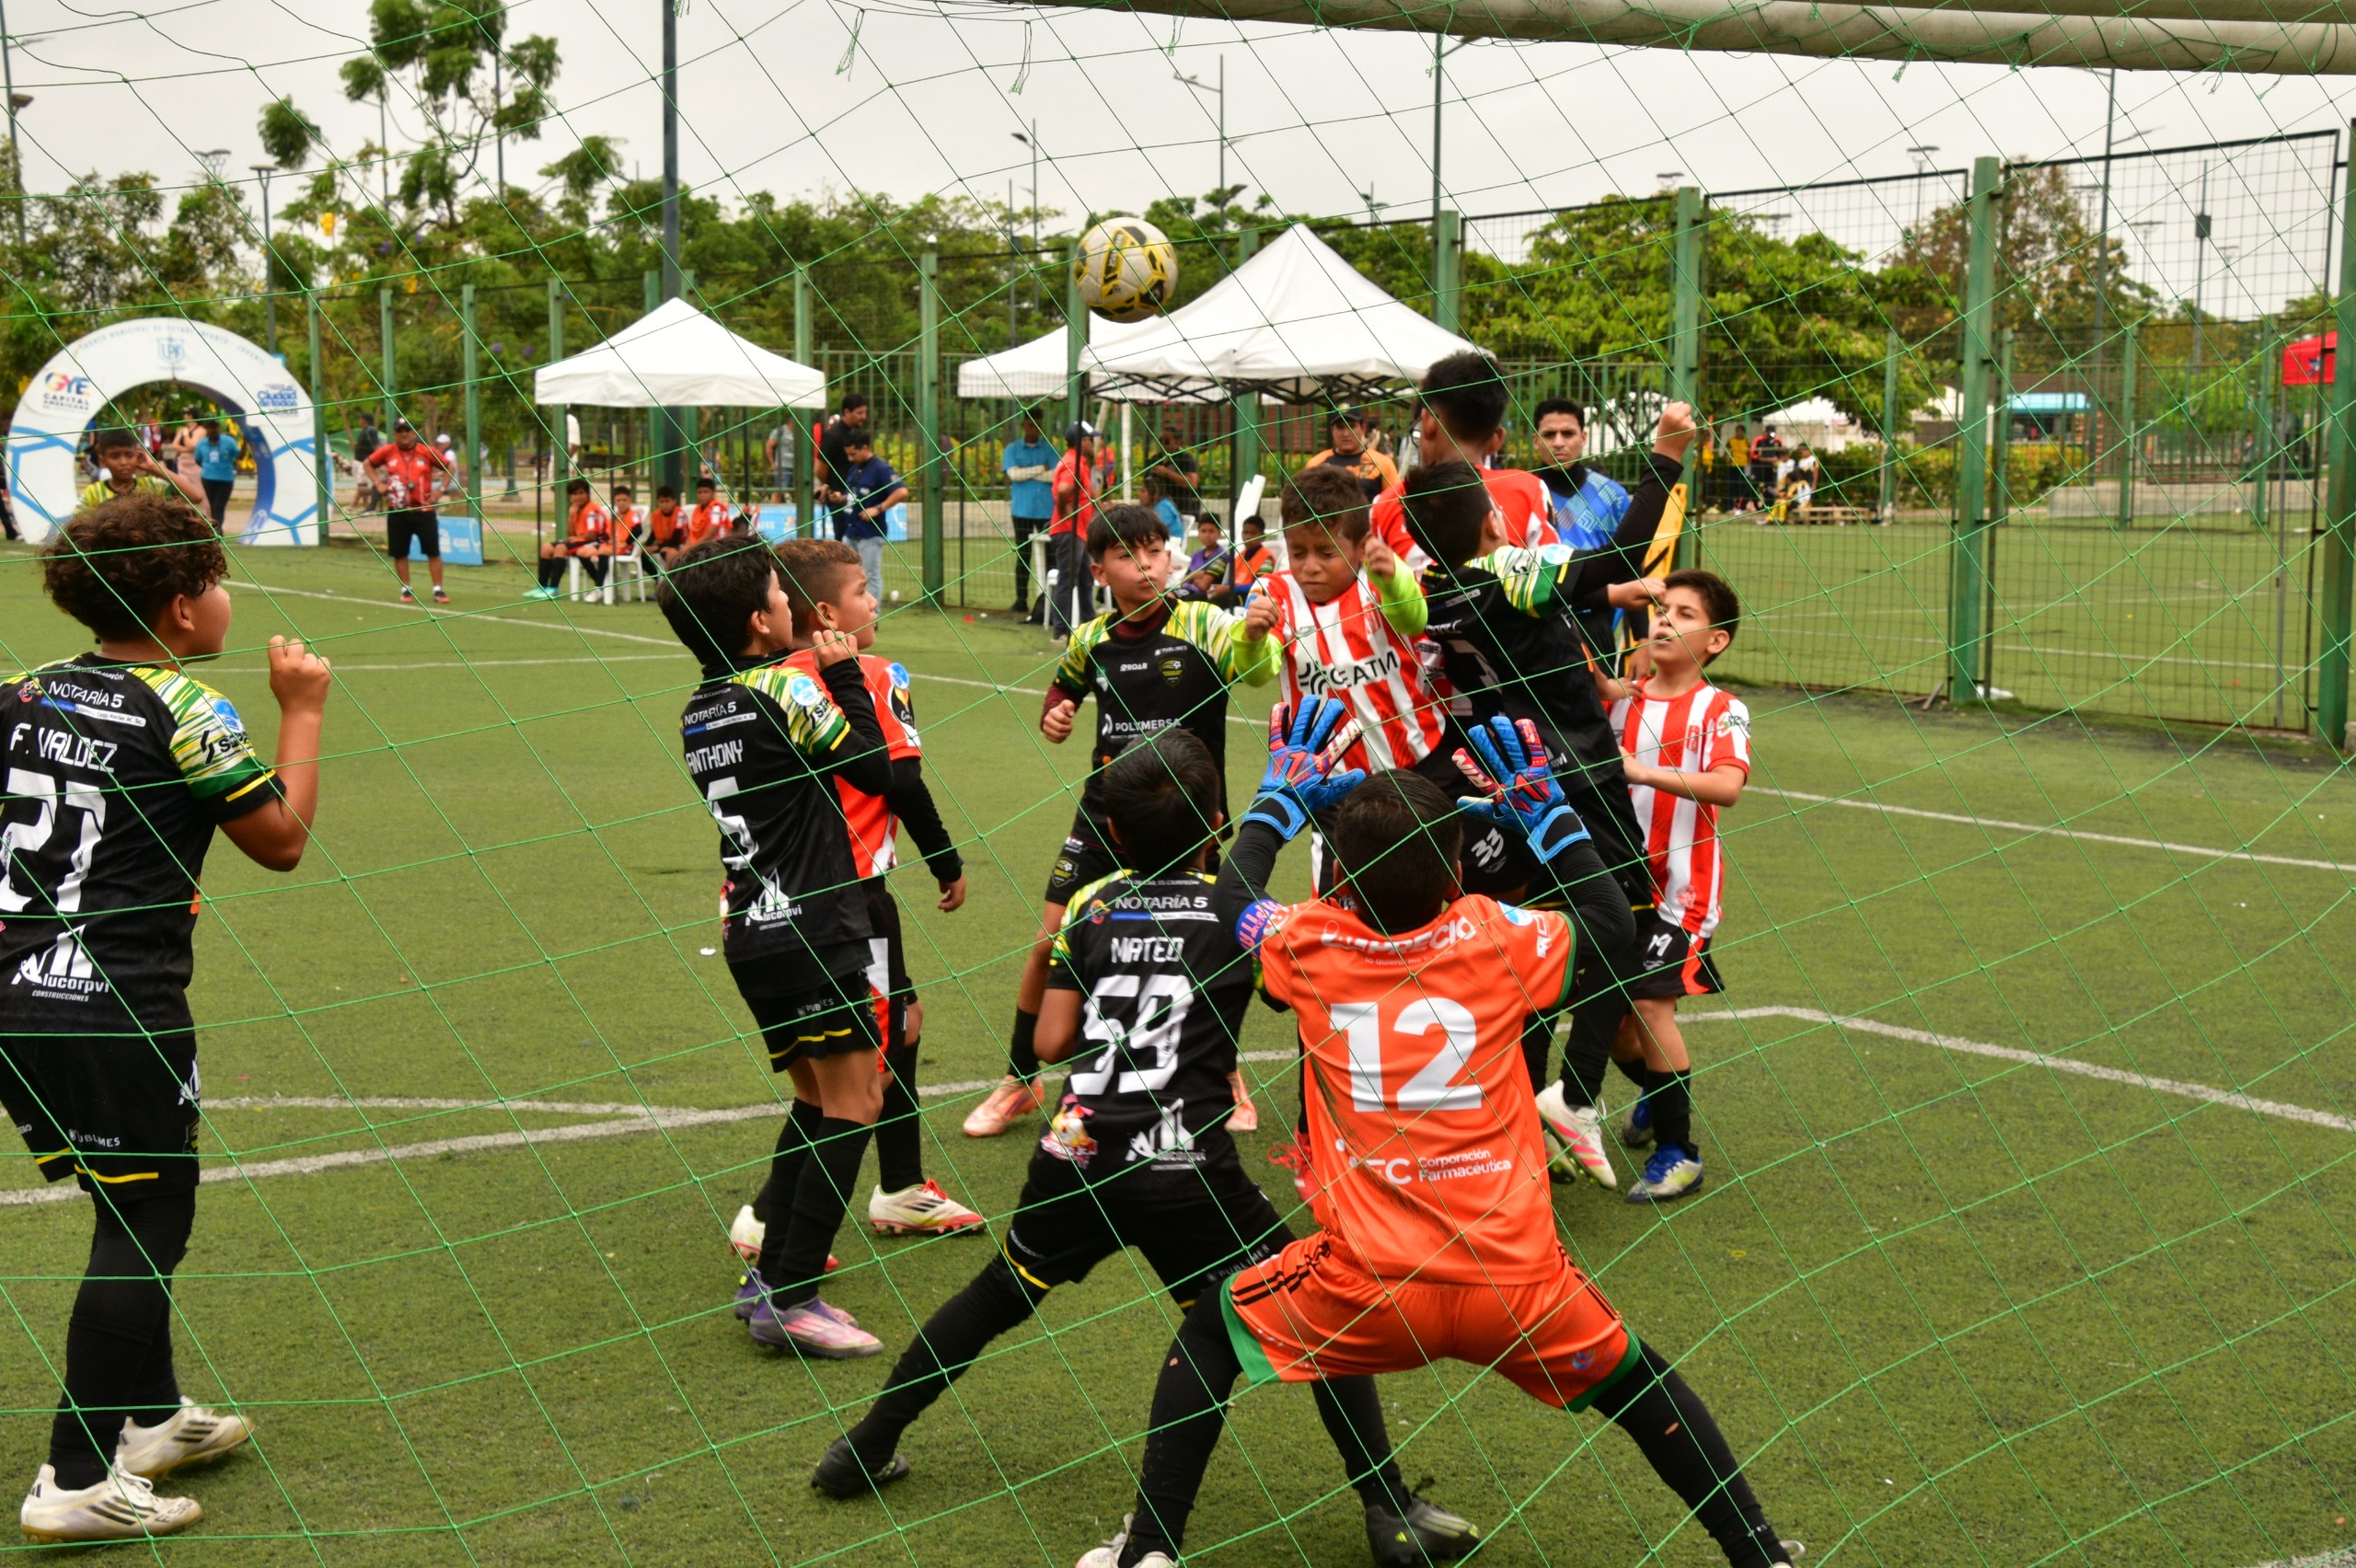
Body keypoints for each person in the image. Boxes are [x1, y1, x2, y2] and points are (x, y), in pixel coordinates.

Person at [1070, 721, 1795, 1568]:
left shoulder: (1309, 944)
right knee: (1642, 1384)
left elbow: (1230, 905)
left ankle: (1149, 1552)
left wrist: (1277, 801)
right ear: (1456, 870)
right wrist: (1548, 811)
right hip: (1515, 1282)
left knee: (1210, 1333)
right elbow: (1609, 922)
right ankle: (1761, 1557)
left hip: (1368, 1286)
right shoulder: (1500, 936)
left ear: (1336, 877)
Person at [814, 721, 1478, 1568]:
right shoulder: (1252, 917)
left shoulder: (1094, 903)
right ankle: (1387, 1508)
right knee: (1315, 1311)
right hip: (1186, 1170)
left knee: (997, 1297)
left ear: (1114, 834)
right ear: (1217, 820)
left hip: (1079, 1154)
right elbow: (1302, 983)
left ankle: (863, 1446)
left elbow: (1052, 1041)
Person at [4, 492, 330, 1543]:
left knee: (124, 1197)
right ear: (185, 607)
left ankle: (151, 1419)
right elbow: (278, 841)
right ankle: (74, 1476)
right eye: (217, 580)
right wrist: (304, 708)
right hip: (108, 1000)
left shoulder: (21, 691)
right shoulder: (183, 707)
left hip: (13, 983)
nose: (227, 597)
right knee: (151, 1219)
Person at [1403, 414, 1710, 1191]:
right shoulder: (1514, 573)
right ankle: (1574, 1098)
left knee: (1539, 942)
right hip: (1575, 777)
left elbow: (1574, 604)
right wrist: (1666, 458)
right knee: (1619, 929)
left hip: (1502, 783)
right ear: (1493, 522)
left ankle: (1523, 1119)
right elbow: (1623, 552)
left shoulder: (1434, 591)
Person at [656, 536, 895, 1358]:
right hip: (814, 925)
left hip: (750, 931)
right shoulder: (784, 689)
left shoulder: (699, 708)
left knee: (819, 1101)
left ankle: (770, 1276)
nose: (795, 602)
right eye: (779, 595)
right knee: (857, 1102)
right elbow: (875, 769)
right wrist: (841, 679)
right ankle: (794, 1296)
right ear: (762, 621)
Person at [724, 538, 983, 1281]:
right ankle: (772, 1213)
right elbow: (900, 781)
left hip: (780, 897)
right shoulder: (871, 672)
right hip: (849, 899)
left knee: (892, 1026)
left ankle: (901, 1185)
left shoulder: (764, 682)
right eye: (865, 590)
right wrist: (946, 858)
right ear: (829, 614)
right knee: (853, 1061)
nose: (877, 601)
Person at [964, 503, 1251, 1139]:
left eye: (1154, 550)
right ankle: (1019, 1078)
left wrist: (1259, 630)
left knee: (1211, 944)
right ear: (1099, 570)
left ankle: (1227, 1075)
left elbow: (1253, 665)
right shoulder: (1090, 638)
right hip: (1102, 815)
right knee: (1046, 942)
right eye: (1128, 555)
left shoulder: (1204, 622)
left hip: (1187, 818)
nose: (1146, 565)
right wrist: (1057, 714)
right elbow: (1064, 687)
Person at [1601, 571, 1750, 1203]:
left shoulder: (1721, 708)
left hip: (1681, 893)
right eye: (1662, 611)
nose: (1665, 621)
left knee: (1652, 1004)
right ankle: (1655, 1093)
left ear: (1714, 642)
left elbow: (1727, 786)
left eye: (1684, 615)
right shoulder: (1621, 698)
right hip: (1613, 885)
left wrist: (1642, 770)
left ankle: (1678, 1152)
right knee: (1609, 1022)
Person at [1236, 464, 1441, 784]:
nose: (1310, 567)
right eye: (1298, 552)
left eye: (1326, 553)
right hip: (1326, 778)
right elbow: (1258, 673)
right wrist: (1252, 639)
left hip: (1415, 763)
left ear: (1361, 547)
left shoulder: (1379, 578)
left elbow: (1414, 621)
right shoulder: (1275, 592)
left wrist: (1394, 582)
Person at [1369, 352, 1561, 572]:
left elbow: (1375, 596)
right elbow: (1551, 578)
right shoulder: (1529, 490)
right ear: (1497, 438)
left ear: (1428, 422)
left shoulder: (1386, 505)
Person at [365, 419, 453, 606]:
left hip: (424, 509)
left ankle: (438, 588)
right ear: (395, 434)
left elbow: (449, 467)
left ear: (414, 433)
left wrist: (441, 490)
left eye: (407, 430)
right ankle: (406, 588)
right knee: (400, 552)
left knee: (433, 551)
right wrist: (378, 484)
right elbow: (367, 464)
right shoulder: (388, 451)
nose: (404, 434)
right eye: (400, 431)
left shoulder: (426, 451)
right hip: (398, 510)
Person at [828, 432, 907, 606]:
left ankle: (872, 617)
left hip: (870, 533)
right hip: (851, 531)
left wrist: (878, 508)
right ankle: (850, 611)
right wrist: (841, 498)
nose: (850, 458)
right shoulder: (855, 468)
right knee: (845, 574)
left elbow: (902, 491)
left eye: (853, 454)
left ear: (864, 448)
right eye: (848, 454)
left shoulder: (881, 469)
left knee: (870, 576)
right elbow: (854, 495)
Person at [1002, 409, 1059, 617]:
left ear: (1040, 425)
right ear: (1024, 425)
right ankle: (1021, 600)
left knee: (1051, 556)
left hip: (1046, 510)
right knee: (1023, 555)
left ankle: (1049, 601)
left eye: (1036, 424)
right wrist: (1039, 469)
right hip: (1022, 510)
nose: (1032, 428)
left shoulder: (1051, 449)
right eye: (1029, 424)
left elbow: (1054, 476)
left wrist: (1027, 472)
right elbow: (1013, 475)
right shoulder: (1013, 449)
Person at [1045, 421, 1099, 638]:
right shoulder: (1073, 462)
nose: (1094, 443)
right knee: (1068, 580)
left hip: (1078, 532)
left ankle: (1089, 625)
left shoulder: (1078, 462)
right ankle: (1061, 631)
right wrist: (1064, 509)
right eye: (1091, 439)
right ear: (1083, 441)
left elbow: (1084, 494)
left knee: (1086, 578)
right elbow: (1064, 489)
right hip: (1069, 530)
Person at [77, 427, 206, 515]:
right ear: (102, 461)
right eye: (115, 456)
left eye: (129, 455)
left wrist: (155, 468)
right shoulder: (93, 493)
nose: (123, 462)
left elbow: (196, 497)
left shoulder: (153, 486)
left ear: (138, 456)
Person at [530, 477, 611, 600]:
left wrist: (575, 539)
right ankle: (542, 587)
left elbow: (592, 535)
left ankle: (553, 588)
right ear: (570, 497)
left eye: (581, 493)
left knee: (561, 548)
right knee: (546, 548)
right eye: (574, 494)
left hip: (597, 542)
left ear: (588, 494)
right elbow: (570, 533)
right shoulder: (576, 509)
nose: (578, 497)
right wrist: (571, 517)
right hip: (583, 540)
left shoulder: (592, 510)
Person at [1304, 407, 1401, 500]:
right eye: (1340, 427)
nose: (1346, 434)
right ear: (1332, 430)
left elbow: (1395, 505)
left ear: (1363, 428)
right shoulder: (1316, 464)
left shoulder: (1383, 464)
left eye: (1351, 426)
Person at [816, 393, 872, 509]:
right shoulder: (832, 436)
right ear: (847, 412)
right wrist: (832, 486)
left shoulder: (861, 433)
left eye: (865, 412)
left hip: (860, 496)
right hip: (839, 499)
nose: (864, 417)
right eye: (859, 413)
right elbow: (819, 469)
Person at [1208, 513, 1272, 609]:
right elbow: (1232, 581)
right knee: (1201, 599)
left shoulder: (1266, 558)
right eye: (1245, 532)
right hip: (1234, 593)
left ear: (1263, 536)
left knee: (1217, 602)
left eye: (1253, 533)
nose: (1248, 537)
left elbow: (1259, 586)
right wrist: (1221, 588)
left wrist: (1228, 589)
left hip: (1251, 598)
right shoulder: (1240, 556)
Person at [189, 419, 240, 532]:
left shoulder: (229, 441)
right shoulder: (202, 443)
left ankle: (218, 529)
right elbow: (198, 459)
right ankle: (214, 528)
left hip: (225, 478)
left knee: (219, 506)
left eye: (215, 428)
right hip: (208, 478)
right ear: (207, 430)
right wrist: (208, 468)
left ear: (219, 429)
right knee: (211, 505)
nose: (213, 430)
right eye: (210, 428)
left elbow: (237, 455)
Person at [1144, 419, 1201, 516]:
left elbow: (1193, 483)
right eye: (1160, 440)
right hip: (1159, 508)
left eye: (1166, 441)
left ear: (1177, 443)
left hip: (1182, 507)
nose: (1162, 444)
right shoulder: (1155, 459)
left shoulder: (1185, 458)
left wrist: (1167, 473)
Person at [1174, 513, 1227, 600]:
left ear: (1219, 533)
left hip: (1203, 596)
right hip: (1186, 591)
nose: (1207, 535)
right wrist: (1195, 575)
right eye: (1203, 531)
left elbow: (1204, 586)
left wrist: (1191, 577)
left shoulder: (1221, 556)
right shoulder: (1196, 555)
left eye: (1211, 531)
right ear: (1198, 533)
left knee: (1171, 599)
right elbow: (1183, 581)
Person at [634, 483, 685, 570]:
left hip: (679, 544)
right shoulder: (656, 515)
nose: (664, 505)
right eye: (662, 502)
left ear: (674, 501)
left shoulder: (680, 514)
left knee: (667, 553)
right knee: (640, 553)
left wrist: (657, 547)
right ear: (658, 502)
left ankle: (669, 579)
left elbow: (676, 538)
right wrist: (647, 546)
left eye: (667, 501)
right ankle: (657, 578)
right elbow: (654, 534)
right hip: (663, 543)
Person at [687, 476, 734, 549]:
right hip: (701, 546)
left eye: (706, 492)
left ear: (713, 493)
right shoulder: (697, 510)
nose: (702, 495)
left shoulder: (716, 509)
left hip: (718, 546)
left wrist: (691, 548)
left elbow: (711, 534)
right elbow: (692, 533)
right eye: (700, 492)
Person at [765, 418, 797, 503]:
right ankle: (774, 508)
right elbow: (769, 446)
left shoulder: (799, 432)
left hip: (797, 466)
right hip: (782, 465)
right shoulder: (780, 431)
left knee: (797, 490)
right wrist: (772, 463)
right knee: (779, 490)